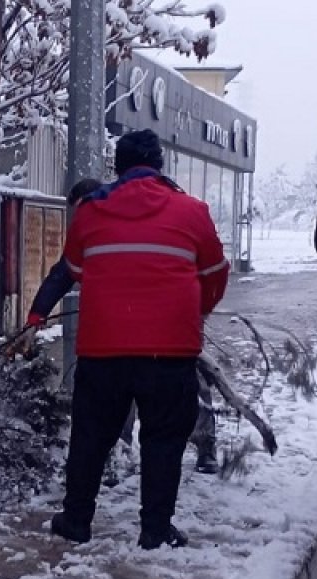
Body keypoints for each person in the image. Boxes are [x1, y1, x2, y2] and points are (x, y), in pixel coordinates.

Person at [48, 129, 229, 549]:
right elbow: (216, 275)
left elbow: (73, 268)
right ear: (160, 165)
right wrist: (194, 310)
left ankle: (76, 521)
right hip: (169, 351)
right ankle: (155, 530)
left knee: (90, 437)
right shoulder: (192, 211)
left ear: (117, 166)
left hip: (103, 350)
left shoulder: (91, 212)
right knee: (164, 439)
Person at [24, 180, 221, 480]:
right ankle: (120, 454)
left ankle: (205, 447)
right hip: (122, 332)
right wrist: (36, 316)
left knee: (187, 390)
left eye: (83, 210)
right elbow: (62, 274)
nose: (83, 219)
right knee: (121, 394)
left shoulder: (133, 220)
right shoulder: (93, 231)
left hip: (167, 329)